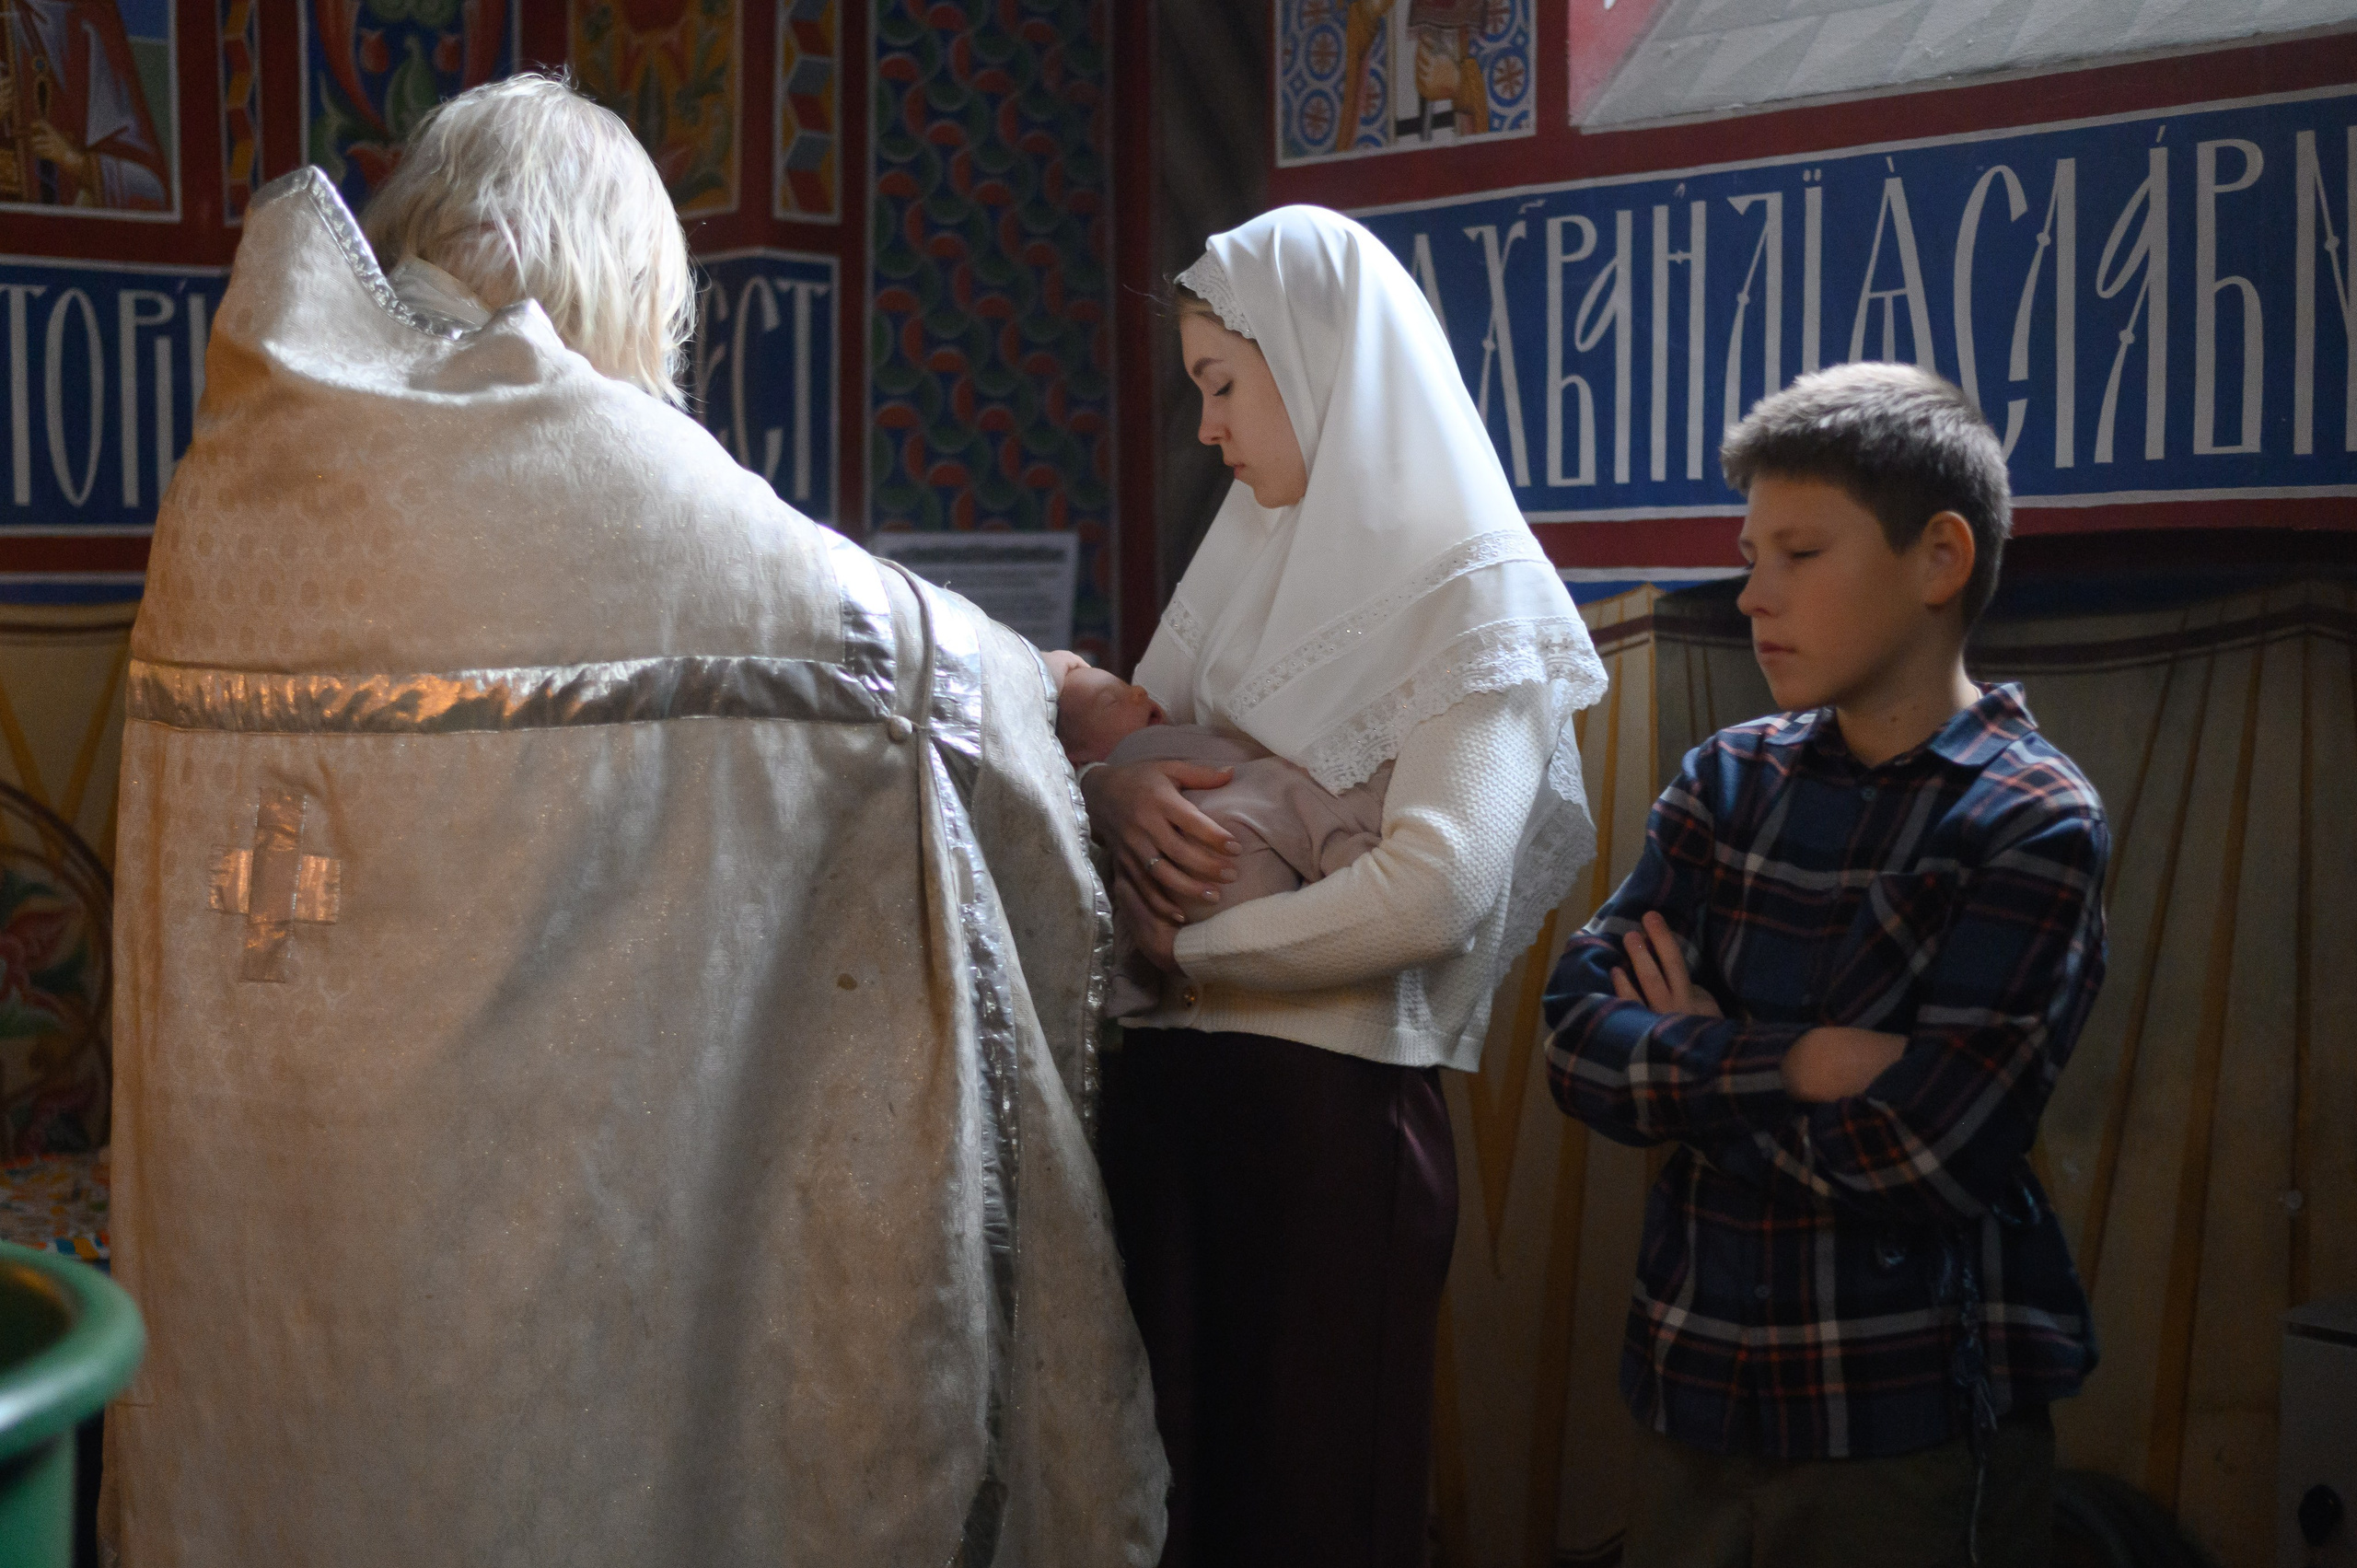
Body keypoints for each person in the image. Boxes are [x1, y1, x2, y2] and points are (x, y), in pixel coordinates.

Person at [104, 75, 1165, 1567]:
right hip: (526, 1277)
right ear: (605, 263)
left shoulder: (242, 465)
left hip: (284, 1241)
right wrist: (1052, 677)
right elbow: (888, 661)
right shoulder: (570, 453)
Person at [1086, 204, 1609, 1567]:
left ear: (1320, 360)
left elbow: (1433, 887)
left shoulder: (1470, 592)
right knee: (1165, 1499)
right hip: (1170, 1097)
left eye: (1222, 384)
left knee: (1312, 1505)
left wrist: (1201, 955)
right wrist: (1122, 787)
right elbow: (1149, 747)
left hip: (1325, 1116)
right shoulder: (1248, 561)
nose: (1207, 427)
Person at [1543, 363, 2109, 1568]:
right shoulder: (1730, 774)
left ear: (1939, 559)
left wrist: (1694, 1058)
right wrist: (1799, 1062)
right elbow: (1575, 1040)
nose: (1755, 595)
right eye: (1752, 556)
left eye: (1799, 553)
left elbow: (1931, 1152)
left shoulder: (2028, 815)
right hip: (1692, 1382)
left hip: (1904, 1413)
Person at [1044, 652, 1387, 1017]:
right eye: (1111, 700)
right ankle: (1343, 846)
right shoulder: (1141, 749)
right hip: (1238, 856)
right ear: (1074, 756)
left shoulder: (1111, 805)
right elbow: (1239, 759)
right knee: (1278, 790)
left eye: (1129, 686)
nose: (1139, 693)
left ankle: (1132, 982)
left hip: (1188, 909)